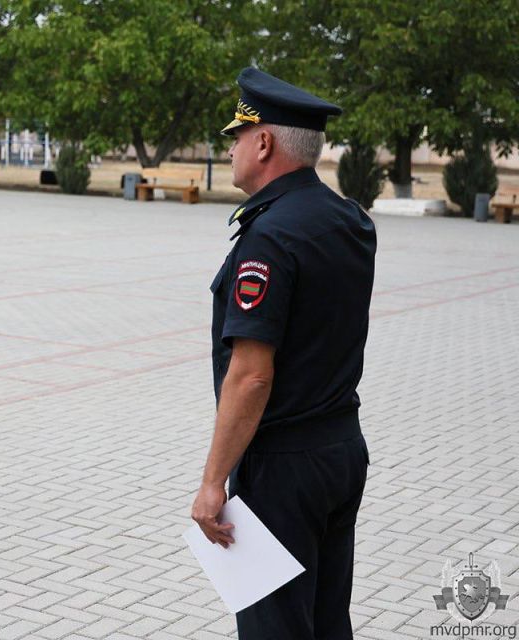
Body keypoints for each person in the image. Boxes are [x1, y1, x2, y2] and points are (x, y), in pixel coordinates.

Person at [190, 67, 375, 640]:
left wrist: (212, 482)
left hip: (284, 468)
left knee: (277, 629)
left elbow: (250, 377)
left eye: (237, 137)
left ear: (264, 141)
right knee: (324, 621)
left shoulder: (269, 238)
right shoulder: (348, 219)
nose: (231, 149)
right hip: (341, 449)